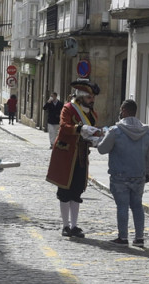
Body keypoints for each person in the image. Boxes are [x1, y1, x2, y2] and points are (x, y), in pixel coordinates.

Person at [45, 80, 101, 238]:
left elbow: (90, 131)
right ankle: (65, 226)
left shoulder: (91, 113)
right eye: (89, 97)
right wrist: (80, 128)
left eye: (93, 97)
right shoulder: (68, 108)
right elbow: (64, 127)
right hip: (66, 155)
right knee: (64, 190)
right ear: (82, 97)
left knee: (77, 191)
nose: (92, 100)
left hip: (81, 155)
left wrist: (96, 137)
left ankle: (75, 226)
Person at [97, 99, 149, 247]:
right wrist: (147, 172)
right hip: (139, 176)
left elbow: (102, 149)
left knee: (122, 206)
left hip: (119, 176)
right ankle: (139, 238)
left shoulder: (116, 131)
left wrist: (103, 136)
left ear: (123, 111)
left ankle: (123, 238)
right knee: (137, 206)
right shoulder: (147, 132)